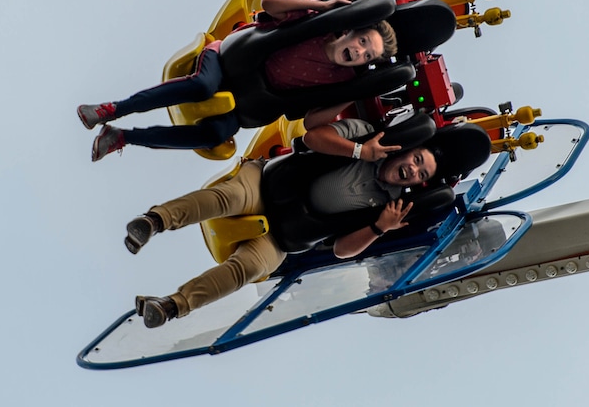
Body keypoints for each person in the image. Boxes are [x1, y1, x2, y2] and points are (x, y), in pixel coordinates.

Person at [127, 117, 470, 329]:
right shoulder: (365, 135)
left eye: (421, 173)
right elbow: (312, 139)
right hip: (264, 186)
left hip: (284, 238)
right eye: (416, 159)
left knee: (246, 269)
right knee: (227, 198)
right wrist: (360, 151)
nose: (413, 169)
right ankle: (155, 221)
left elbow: (341, 250)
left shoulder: (388, 207)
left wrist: (379, 227)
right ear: (407, 149)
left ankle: (171, 306)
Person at [76, 0, 398, 161]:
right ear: (350, 29)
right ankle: (111, 109)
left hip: (251, 99)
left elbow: (314, 123)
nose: (359, 52)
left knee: (215, 135)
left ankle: (121, 137)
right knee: (203, 85)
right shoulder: (315, 23)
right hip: (228, 60)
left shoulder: (340, 81)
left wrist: (356, 89)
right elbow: (268, 3)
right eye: (362, 41)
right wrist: (323, 6)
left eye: (367, 55)